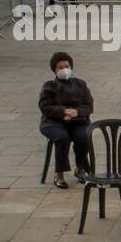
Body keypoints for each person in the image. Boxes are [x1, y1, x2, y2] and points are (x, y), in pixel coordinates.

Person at [39, 51, 93, 189]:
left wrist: (77, 112)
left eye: (67, 66)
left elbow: (89, 105)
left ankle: (81, 168)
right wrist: (63, 111)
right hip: (54, 122)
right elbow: (45, 107)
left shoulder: (80, 84)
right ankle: (59, 173)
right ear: (54, 70)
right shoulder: (49, 86)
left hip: (77, 120)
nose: (64, 69)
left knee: (83, 136)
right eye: (60, 67)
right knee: (62, 138)